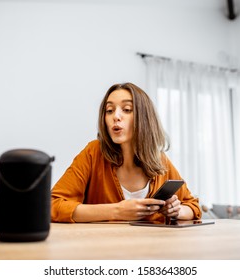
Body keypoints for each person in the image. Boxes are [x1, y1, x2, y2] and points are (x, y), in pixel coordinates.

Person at [51, 82, 201, 223]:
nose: (115, 116)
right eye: (109, 111)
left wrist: (176, 210)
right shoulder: (93, 152)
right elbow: (52, 205)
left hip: (153, 248)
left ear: (144, 118)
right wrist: (116, 211)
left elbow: (193, 207)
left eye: (127, 109)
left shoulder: (160, 159)